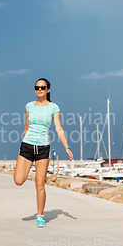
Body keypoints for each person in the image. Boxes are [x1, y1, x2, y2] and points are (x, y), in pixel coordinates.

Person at [13, 78, 73, 227]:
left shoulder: (53, 107)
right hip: (27, 146)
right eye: (37, 87)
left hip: (43, 148)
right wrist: (23, 142)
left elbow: (59, 128)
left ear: (48, 90)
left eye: (42, 87)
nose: (39, 89)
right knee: (18, 180)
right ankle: (25, 169)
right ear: (35, 89)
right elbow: (26, 126)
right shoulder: (28, 106)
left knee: (40, 184)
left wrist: (67, 147)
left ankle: (40, 215)